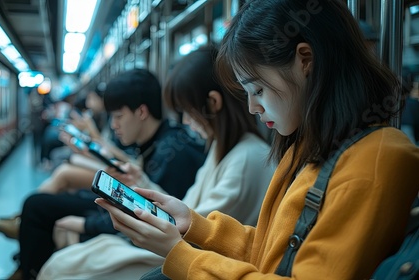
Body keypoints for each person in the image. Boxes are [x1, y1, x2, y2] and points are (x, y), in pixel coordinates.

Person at [96, 1, 419, 279]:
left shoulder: (375, 160)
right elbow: (273, 252)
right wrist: (195, 226)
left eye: (258, 90)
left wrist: (181, 255)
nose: (252, 107)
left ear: (305, 60)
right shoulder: (306, 147)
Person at [36, 46, 276, 280]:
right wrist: (140, 180)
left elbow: (196, 231)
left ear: (213, 103)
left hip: (198, 259)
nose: (186, 121)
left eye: (187, 111)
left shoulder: (245, 158)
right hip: (191, 252)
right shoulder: (222, 149)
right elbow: (188, 215)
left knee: (63, 266)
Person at [4, 68, 207, 280]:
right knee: (42, 203)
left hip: (132, 232)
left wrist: (86, 224)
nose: (114, 125)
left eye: (118, 116)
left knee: (37, 206)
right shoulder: (166, 143)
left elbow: (150, 215)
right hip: (121, 212)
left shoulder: (172, 155)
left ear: (141, 112)